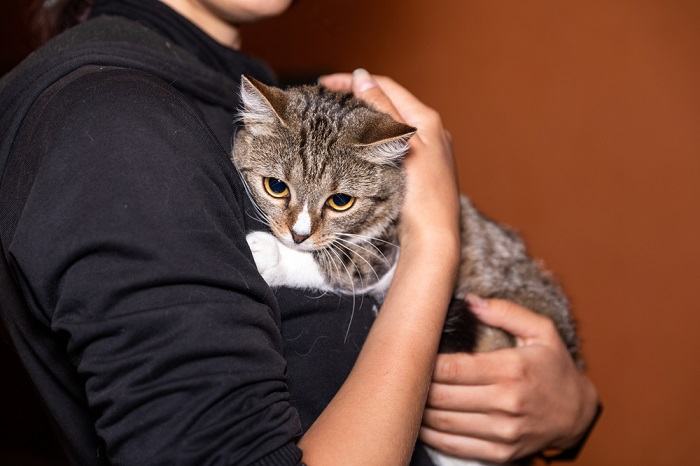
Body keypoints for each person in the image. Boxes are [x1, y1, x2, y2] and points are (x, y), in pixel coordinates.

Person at [0, 0, 599, 464]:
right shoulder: (111, 119)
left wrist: (573, 412)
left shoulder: (267, 94)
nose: (301, 223)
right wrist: (433, 243)